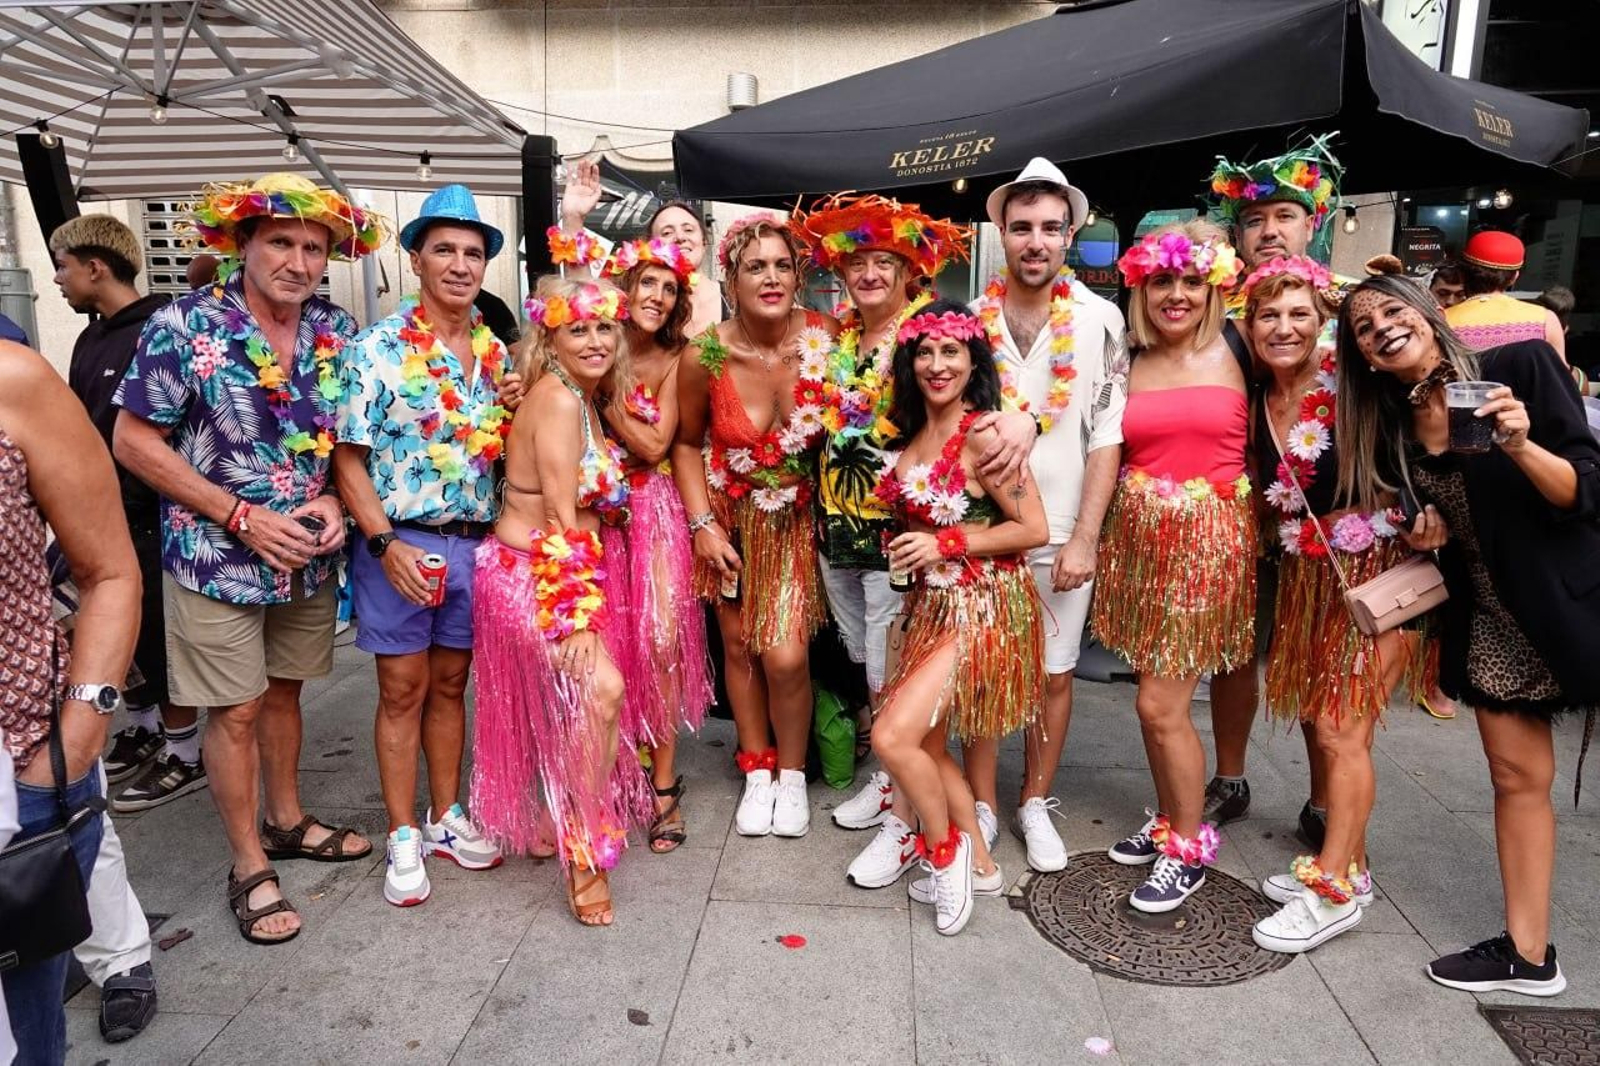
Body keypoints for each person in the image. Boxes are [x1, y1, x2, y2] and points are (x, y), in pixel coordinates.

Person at [114, 173, 386, 945]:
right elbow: (132, 441)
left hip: (305, 553)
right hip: (213, 554)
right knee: (231, 709)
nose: (299, 261)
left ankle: (287, 820)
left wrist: (335, 500)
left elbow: (344, 442)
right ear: (242, 243)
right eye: (282, 242)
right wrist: (237, 513)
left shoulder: (335, 328)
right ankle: (246, 863)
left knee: (284, 695)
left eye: (314, 247)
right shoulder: (183, 324)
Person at [1337, 274, 1600, 996]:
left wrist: (1518, 444)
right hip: (1489, 618)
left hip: (1568, 603)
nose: (1383, 327)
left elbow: (1583, 491)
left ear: (1428, 313)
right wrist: (1427, 527)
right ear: (1361, 357)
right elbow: (1454, 516)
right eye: (1364, 327)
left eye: (1394, 310)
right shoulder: (1395, 427)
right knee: (1516, 780)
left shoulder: (1517, 368)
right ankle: (1528, 953)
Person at [790, 194, 1033, 886]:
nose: (867, 273)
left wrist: (1029, 426)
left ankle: (907, 823)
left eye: (882, 262)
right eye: (857, 263)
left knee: (898, 685)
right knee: (870, 664)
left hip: (902, 540)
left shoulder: (927, 331)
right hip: (837, 527)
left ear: (909, 273)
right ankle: (893, 784)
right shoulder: (837, 339)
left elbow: (993, 402)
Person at [1238, 257, 1430, 954]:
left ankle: (1333, 892)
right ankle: (1348, 863)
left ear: (1321, 322)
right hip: (1311, 578)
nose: (1283, 328)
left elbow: (1424, 436)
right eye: (1268, 315)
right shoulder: (1259, 395)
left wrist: (1421, 512)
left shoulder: (1355, 383)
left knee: (1342, 730)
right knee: (1328, 727)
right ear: (1249, 326)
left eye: (1298, 314)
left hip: (1379, 573)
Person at [335, 185, 511, 908]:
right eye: (445, 249)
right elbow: (347, 458)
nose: (460, 264)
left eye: (473, 253)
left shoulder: (496, 355)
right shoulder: (373, 349)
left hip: (474, 545)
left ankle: (445, 817)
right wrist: (382, 544)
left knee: (450, 684)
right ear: (416, 259)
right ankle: (402, 832)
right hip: (399, 544)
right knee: (401, 690)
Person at [957, 158, 1128, 874]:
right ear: (1000, 230)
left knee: (1055, 675)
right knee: (985, 672)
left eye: (1050, 228)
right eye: (1021, 227)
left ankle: (1033, 800)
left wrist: (1086, 535)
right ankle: (980, 805)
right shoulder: (967, 321)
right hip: (986, 531)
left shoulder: (1100, 318)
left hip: (1062, 534)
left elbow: (1106, 435)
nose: (1036, 241)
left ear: (1070, 233)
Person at [471, 275, 649, 926]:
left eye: (605, 327)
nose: (596, 339)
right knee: (599, 692)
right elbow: (558, 512)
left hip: (546, 567)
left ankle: (560, 816)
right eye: (579, 328)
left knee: (576, 704)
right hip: (533, 573)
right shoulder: (558, 401)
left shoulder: (581, 396)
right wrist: (575, 614)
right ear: (551, 336)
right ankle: (582, 845)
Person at [872, 301, 1047, 934]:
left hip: (982, 608)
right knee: (919, 740)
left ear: (974, 360)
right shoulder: (911, 435)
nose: (937, 364)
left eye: (951, 351)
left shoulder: (984, 435)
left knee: (892, 738)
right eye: (925, 351)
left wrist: (946, 544)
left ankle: (942, 854)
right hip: (930, 609)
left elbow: (1035, 528)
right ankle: (979, 863)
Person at [1096, 220, 1253, 913]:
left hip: (1210, 545)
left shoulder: (1242, 347)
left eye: (1192, 280)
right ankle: (1169, 818)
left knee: (1159, 704)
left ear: (1212, 285)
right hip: (1139, 542)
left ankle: (1188, 847)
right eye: (1163, 280)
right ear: (1142, 286)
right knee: (1151, 703)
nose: (1177, 294)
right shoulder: (1128, 353)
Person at [48, 213, 174, 1043]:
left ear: (96, 265)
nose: (57, 278)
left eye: (65, 265)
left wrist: (93, 694)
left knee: (66, 794)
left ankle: (119, 957)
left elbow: (116, 449)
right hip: (93, 542)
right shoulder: (86, 341)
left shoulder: (152, 331)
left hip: (133, 532)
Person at [1, 338, 140, 1066]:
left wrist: (76, 738)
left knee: (25, 1038)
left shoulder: (13, 378)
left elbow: (109, 571)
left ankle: (125, 960)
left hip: (18, 774)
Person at [1205, 135, 1346, 841]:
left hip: (1333, 531)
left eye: (1284, 216)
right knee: (1233, 652)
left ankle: (1327, 803)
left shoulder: (1347, 315)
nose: (1269, 231)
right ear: (1238, 231)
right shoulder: (1216, 315)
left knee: (1325, 669)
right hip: (1238, 521)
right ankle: (1229, 779)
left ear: (1311, 222)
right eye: (1255, 219)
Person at [673, 214, 831, 839]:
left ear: (798, 276)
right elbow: (686, 444)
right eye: (754, 266)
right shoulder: (704, 354)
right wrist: (702, 525)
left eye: (782, 265)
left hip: (796, 520)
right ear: (731, 279)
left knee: (786, 656)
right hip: (729, 518)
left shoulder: (829, 337)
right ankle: (756, 768)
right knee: (738, 647)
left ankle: (792, 775)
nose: (770, 277)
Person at [595, 237, 713, 852]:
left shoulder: (680, 359)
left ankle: (664, 784)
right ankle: (617, 775)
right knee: (612, 648)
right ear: (625, 286)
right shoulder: (594, 342)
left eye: (670, 289)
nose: (659, 298)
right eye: (648, 283)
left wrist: (599, 391)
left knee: (662, 644)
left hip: (654, 511)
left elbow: (654, 443)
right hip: (595, 517)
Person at [560, 160, 722, 338]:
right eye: (667, 232)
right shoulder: (633, 300)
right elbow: (584, 296)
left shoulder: (732, 298)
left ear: (704, 241)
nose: (680, 237)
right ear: (650, 247)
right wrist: (573, 219)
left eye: (688, 229)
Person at [1446, 231, 1566, 362]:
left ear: (1461, 273)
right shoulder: (1545, 320)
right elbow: (1559, 376)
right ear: (1514, 278)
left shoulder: (1441, 320)